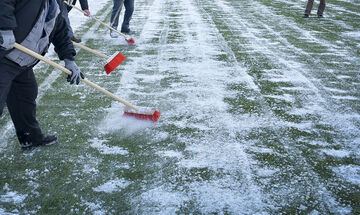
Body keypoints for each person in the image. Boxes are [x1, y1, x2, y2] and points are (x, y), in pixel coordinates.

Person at [0, 0, 85, 148]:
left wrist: (69, 59)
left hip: (22, 60)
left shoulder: (55, 5)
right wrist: (4, 28)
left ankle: (30, 138)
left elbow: (61, 32)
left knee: (25, 96)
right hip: (4, 55)